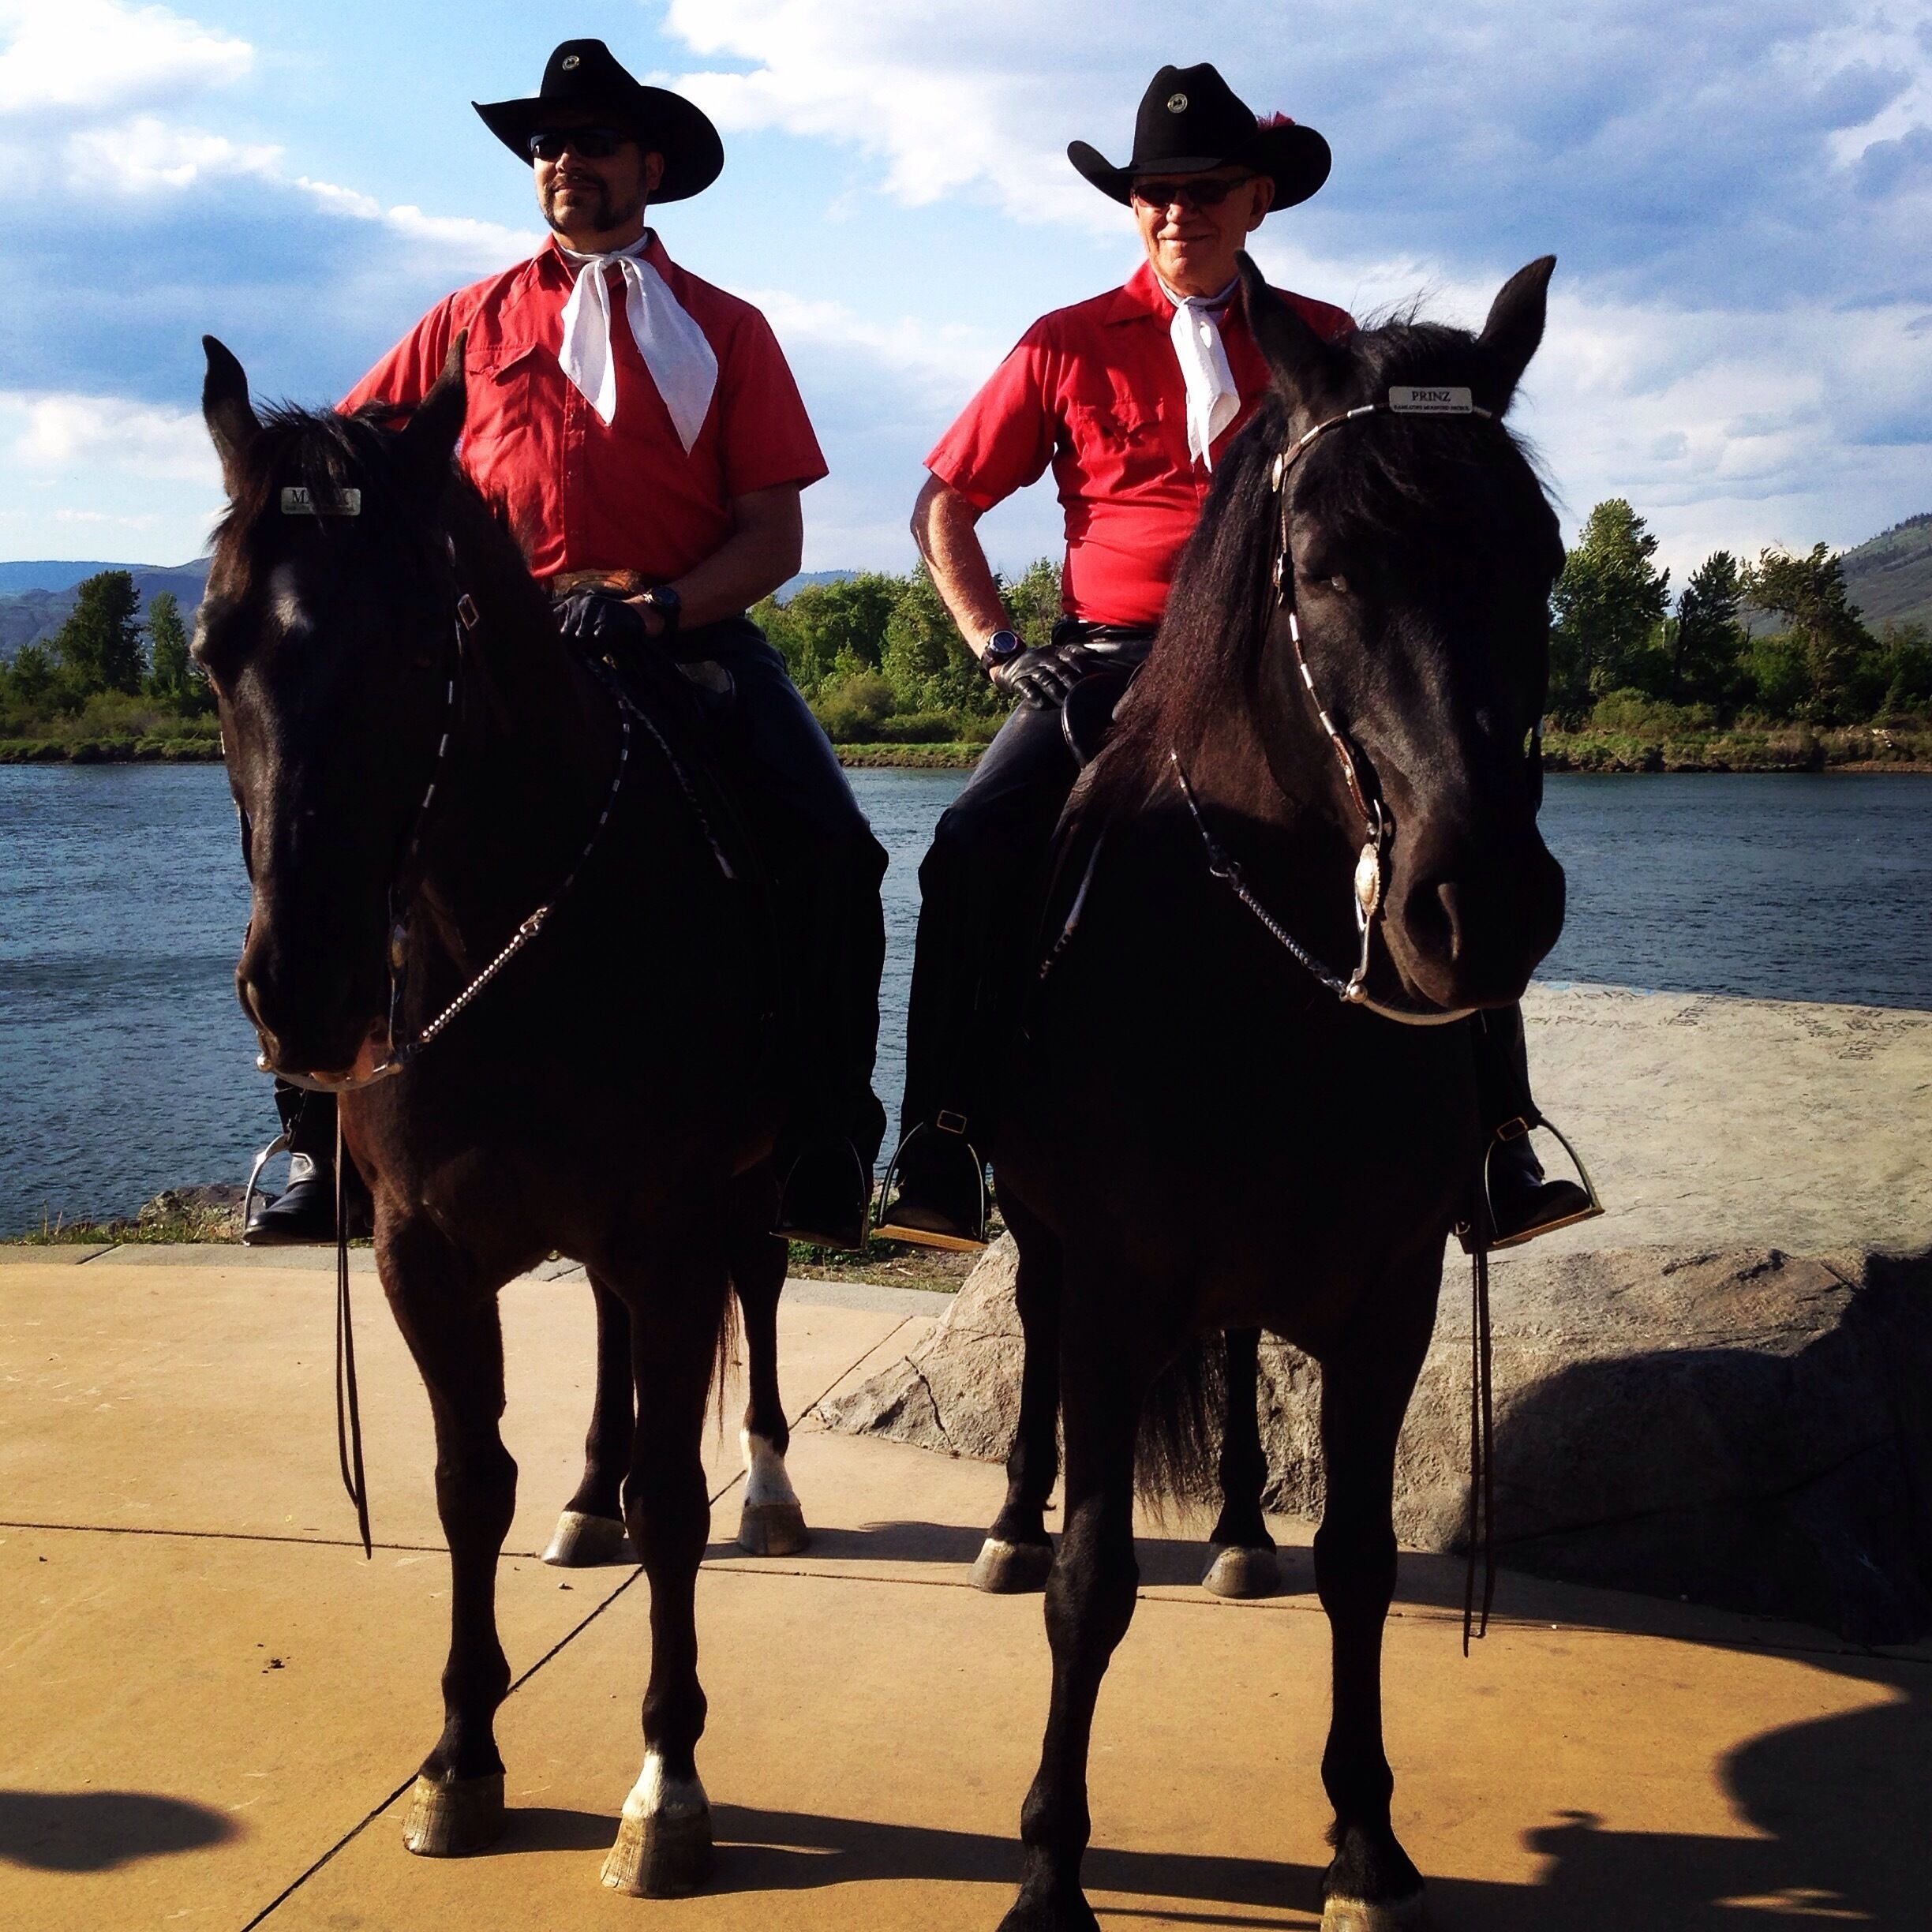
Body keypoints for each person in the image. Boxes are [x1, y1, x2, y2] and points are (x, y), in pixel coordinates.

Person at [874, 62, 1596, 1252]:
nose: (1175, 213)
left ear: (1257, 199)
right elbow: (944, 506)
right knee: (971, 840)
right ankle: (944, 1135)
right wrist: (1001, 649)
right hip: (1114, 657)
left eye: (1204, 190)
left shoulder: (1333, 344)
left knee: (1451, 811)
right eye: (1152, 193)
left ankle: (1494, 1136)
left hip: (1297, 655)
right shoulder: (1063, 344)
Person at [243, 37, 885, 1250]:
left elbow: (773, 535)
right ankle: (316, 1134)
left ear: (650, 163)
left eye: (589, 141)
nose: (562, 161)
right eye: (545, 143)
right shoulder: (467, 320)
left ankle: (824, 1132)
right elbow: (350, 456)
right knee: (330, 809)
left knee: (835, 847)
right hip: (496, 645)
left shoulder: (730, 331)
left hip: (680, 633)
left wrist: (659, 608)